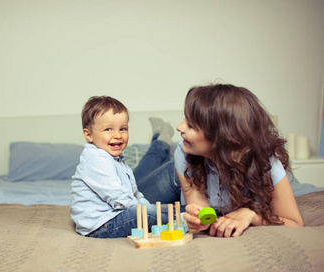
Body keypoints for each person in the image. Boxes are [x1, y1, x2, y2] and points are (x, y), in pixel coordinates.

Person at [136, 83, 304, 238]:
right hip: (173, 177)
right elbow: (204, 213)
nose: (179, 127)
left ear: (223, 137)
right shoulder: (184, 150)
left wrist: (251, 215)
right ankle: (160, 143)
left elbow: (294, 222)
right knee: (128, 192)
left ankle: (159, 142)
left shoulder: (266, 161)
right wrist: (199, 219)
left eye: (191, 125)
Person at [70, 96, 170, 238]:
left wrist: (147, 206)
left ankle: (174, 214)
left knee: (157, 209)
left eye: (123, 129)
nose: (117, 135)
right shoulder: (96, 159)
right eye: (108, 129)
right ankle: (173, 220)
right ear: (88, 135)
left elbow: (134, 193)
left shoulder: (117, 159)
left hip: (116, 215)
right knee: (146, 214)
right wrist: (147, 211)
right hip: (100, 225)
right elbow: (119, 197)